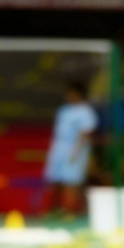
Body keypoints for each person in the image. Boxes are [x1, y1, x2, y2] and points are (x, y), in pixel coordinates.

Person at [44, 80, 98, 217]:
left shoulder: (86, 111)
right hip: (59, 149)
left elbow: (85, 134)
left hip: (75, 150)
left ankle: (70, 211)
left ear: (78, 94)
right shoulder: (64, 110)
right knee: (55, 180)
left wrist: (76, 152)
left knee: (72, 181)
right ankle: (55, 209)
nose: (68, 96)